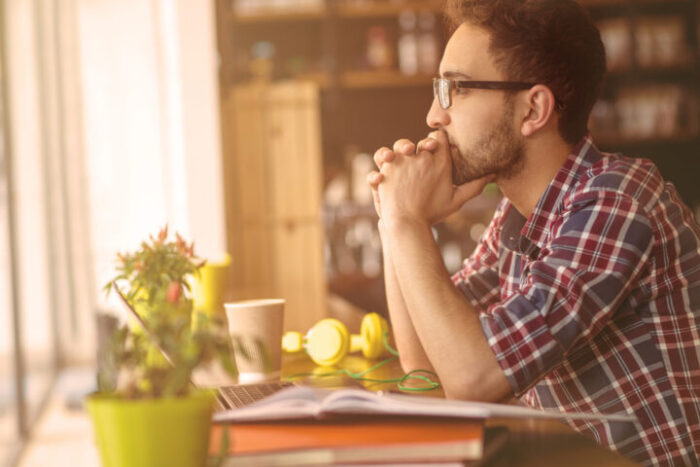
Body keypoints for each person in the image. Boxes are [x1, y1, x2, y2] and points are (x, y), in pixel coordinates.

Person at [366, 1, 700, 465]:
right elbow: (424, 364)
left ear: (534, 109)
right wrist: (393, 215)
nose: (433, 116)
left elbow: (472, 379)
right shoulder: (517, 216)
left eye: (455, 89)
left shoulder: (617, 200)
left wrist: (408, 222)